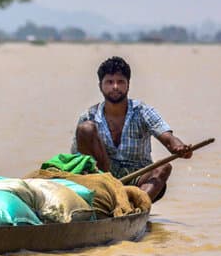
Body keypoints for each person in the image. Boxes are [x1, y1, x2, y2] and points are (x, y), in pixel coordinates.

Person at [71, 56, 191, 201]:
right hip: (104, 181)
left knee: (164, 168)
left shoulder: (142, 111)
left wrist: (179, 148)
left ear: (128, 85)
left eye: (120, 82)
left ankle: (135, 206)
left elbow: (168, 138)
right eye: (109, 82)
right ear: (100, 86)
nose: (115, 87)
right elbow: (77, 158)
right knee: (86, 129)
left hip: (140, 180)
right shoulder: (89, 116)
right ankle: (106, 196)